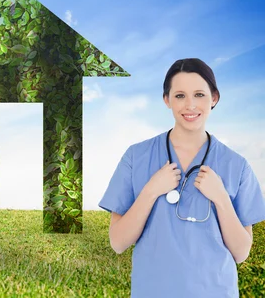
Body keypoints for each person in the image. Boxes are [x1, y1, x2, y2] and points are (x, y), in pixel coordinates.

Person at [99, 58, 265, 298]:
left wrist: (220, 198)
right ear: (166, 100)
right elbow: (118, 242)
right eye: (179, 96)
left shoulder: (236, 165)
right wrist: (151, 190)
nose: (190, 105)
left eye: (199, 94)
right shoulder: (136, 157)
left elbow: (241, 253)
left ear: (214, 98)